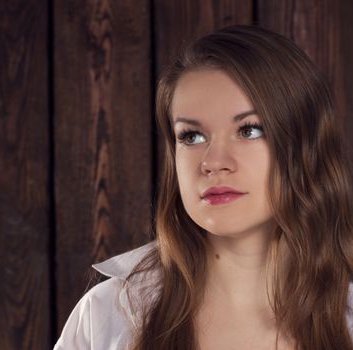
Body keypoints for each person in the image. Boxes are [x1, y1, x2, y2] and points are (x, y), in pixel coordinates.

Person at [54, 24, 353, 349]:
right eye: (191, 136)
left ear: (305, 144)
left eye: (249, 130)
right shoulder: (108, 317)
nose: (213, 161)